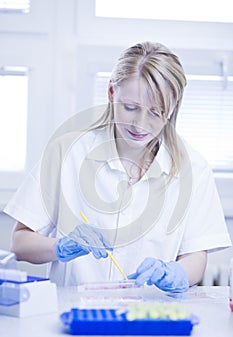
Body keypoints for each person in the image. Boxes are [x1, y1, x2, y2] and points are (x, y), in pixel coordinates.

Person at [4, 41, 231, 290]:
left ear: (173, 107)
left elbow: (196, 257)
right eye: (130, 108)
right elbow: (20, 243)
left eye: (156, 112)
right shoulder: (66, 152)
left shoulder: (193, 169)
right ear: (112, 93)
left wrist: (175, 272)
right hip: (75, 315)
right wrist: (59, 246)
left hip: (150, 314)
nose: (139, 124)